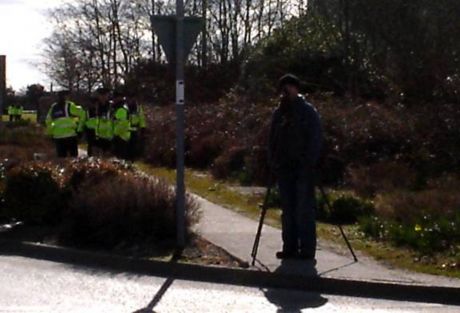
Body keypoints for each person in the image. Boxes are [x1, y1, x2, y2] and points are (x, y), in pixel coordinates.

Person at [268, 74, 323, 261]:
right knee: (288, 209)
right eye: (283, 88)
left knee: (304, 209)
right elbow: (272, 139)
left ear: (296, 89)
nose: (286, 92)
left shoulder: (308, 112)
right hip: (284, 167)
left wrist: (309, 162)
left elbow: (316, 139)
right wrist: (273, 160)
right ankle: (289, 247)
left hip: (303, 168)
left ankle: (307, 249)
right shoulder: (279, 113)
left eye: (289, 87)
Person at [46, 90, 85, 158]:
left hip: (58, 137)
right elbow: (82, 114)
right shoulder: (69, 105)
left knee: (61, 160)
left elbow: (48, 121)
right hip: (70, 136)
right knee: (73, 159)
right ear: (66, 96)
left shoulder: (53, 107)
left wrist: (51, 133)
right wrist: (79, 129)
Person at [126, 91, 146, 160]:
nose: (131, 100)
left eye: (132, 98)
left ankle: (132, 160)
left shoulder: (138, 108)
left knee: (133, 147)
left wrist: (143, 128)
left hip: (134, 129)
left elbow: (141, 118)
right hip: (125, 130)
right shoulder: (125, 107)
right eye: (129, 98)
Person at [112, 90, 131, 159]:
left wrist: (114, 134)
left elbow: (122, 124)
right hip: (119, 136)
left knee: (120, 159)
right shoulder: (116, 108)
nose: (114, 99)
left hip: (121, 137)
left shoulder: (122, 109)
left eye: (115, 98)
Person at [94, 88, 113, 154]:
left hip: (109, 137)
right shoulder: (96, 106)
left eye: (105, 95)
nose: (103, 97)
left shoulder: (111, 106)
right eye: (101, 95)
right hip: (99, 136)